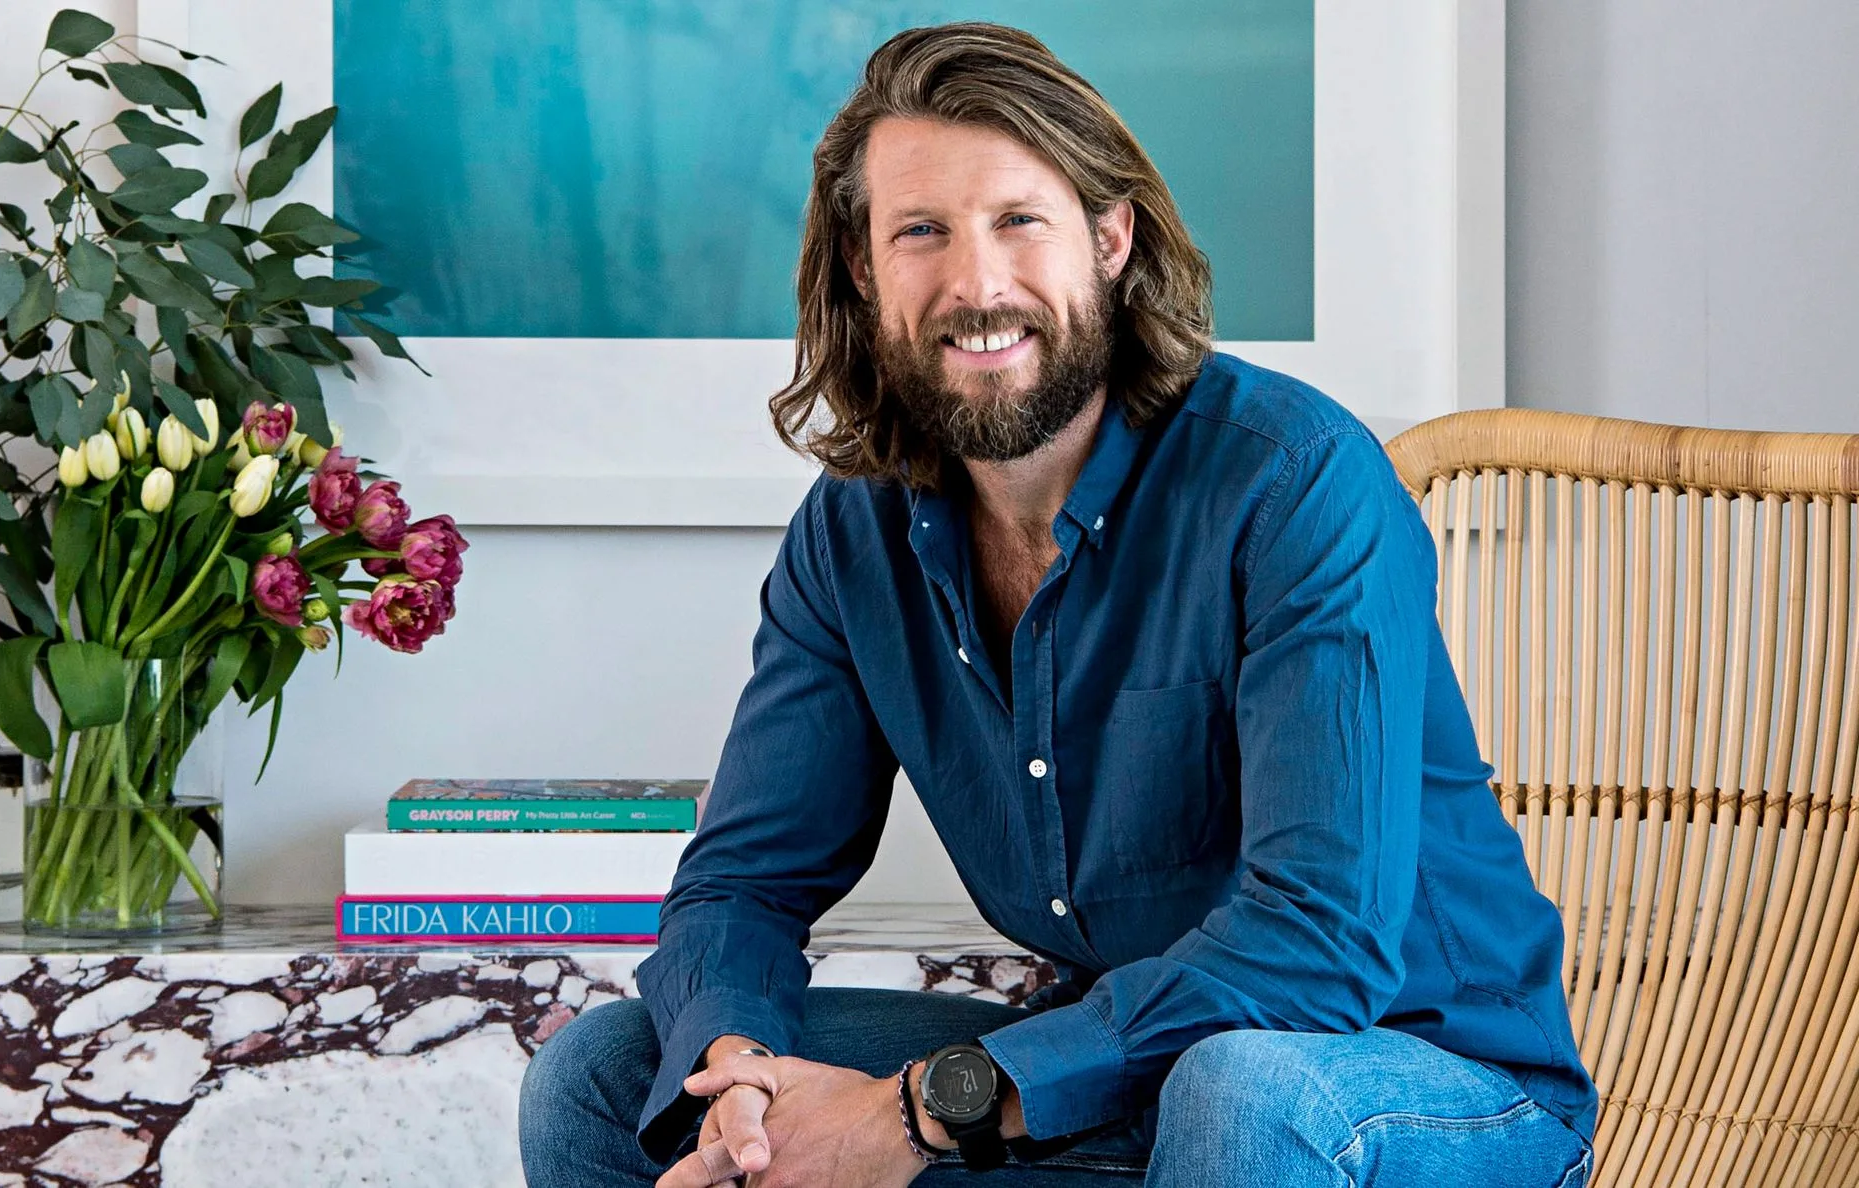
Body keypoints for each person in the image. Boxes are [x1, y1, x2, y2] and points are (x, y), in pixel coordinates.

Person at [520, 21, 1596, 1188]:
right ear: (866, 268)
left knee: (1241, 1088)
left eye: (1018, 221)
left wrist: (919, 1113)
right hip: (1125, 1080)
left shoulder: (1294, 482)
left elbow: (1317, 944)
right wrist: (737, 1075)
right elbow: (743, 883)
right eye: (922, 231)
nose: (977, 284)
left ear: (1110, 237)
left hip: (1417, 1087)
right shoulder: (854, 532)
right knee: (608, 1071)